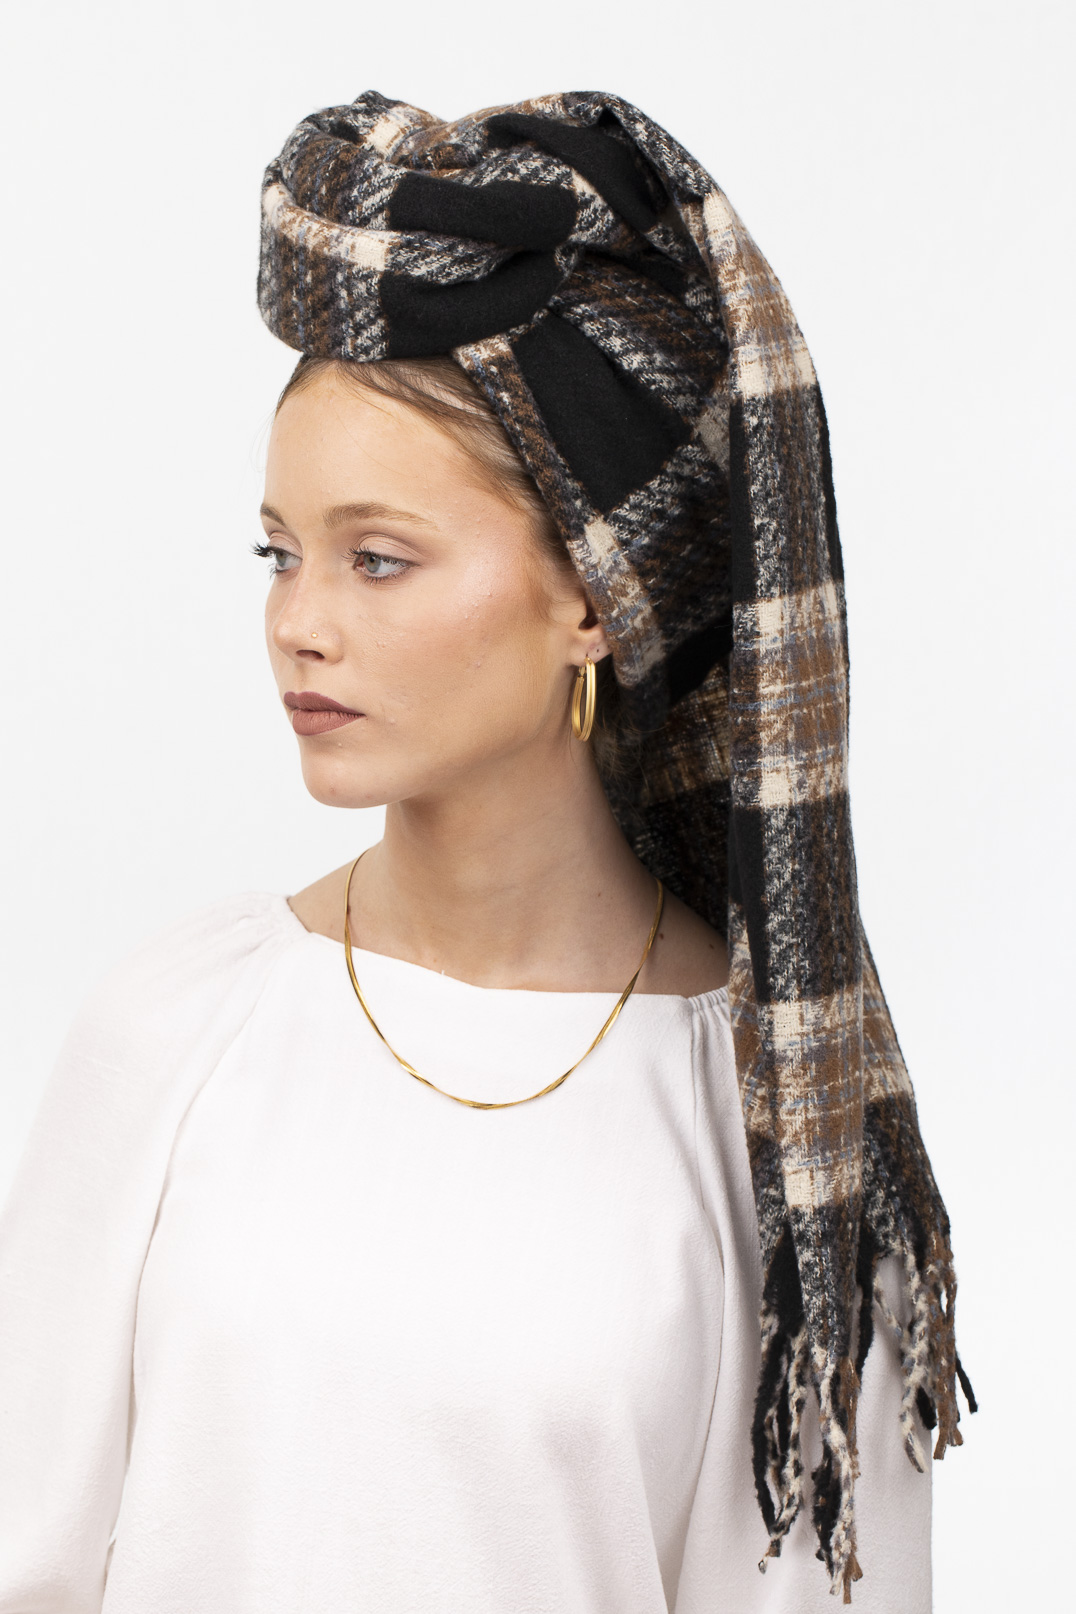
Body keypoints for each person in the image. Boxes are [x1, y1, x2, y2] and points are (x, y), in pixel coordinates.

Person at [0, 90, 971, 1611]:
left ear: (594, 594)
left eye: (378, 559)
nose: (298, 621)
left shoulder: (772, 1140)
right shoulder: (187, 1029)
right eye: (280, 551)